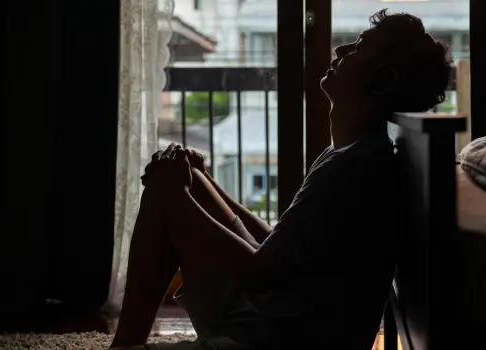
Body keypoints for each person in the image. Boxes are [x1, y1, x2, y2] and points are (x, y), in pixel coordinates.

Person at [110, 9, 451, 350]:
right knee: (188, 181)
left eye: (359, 47)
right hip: (276, 318)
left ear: (381, 79)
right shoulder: (355, 154)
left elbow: (260, 272)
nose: (340, 51)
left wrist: (177, 193)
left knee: (166, 188)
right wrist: (204, 183)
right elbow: (278, 248)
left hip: (272, 338)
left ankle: (125, 344)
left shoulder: (354, 167)